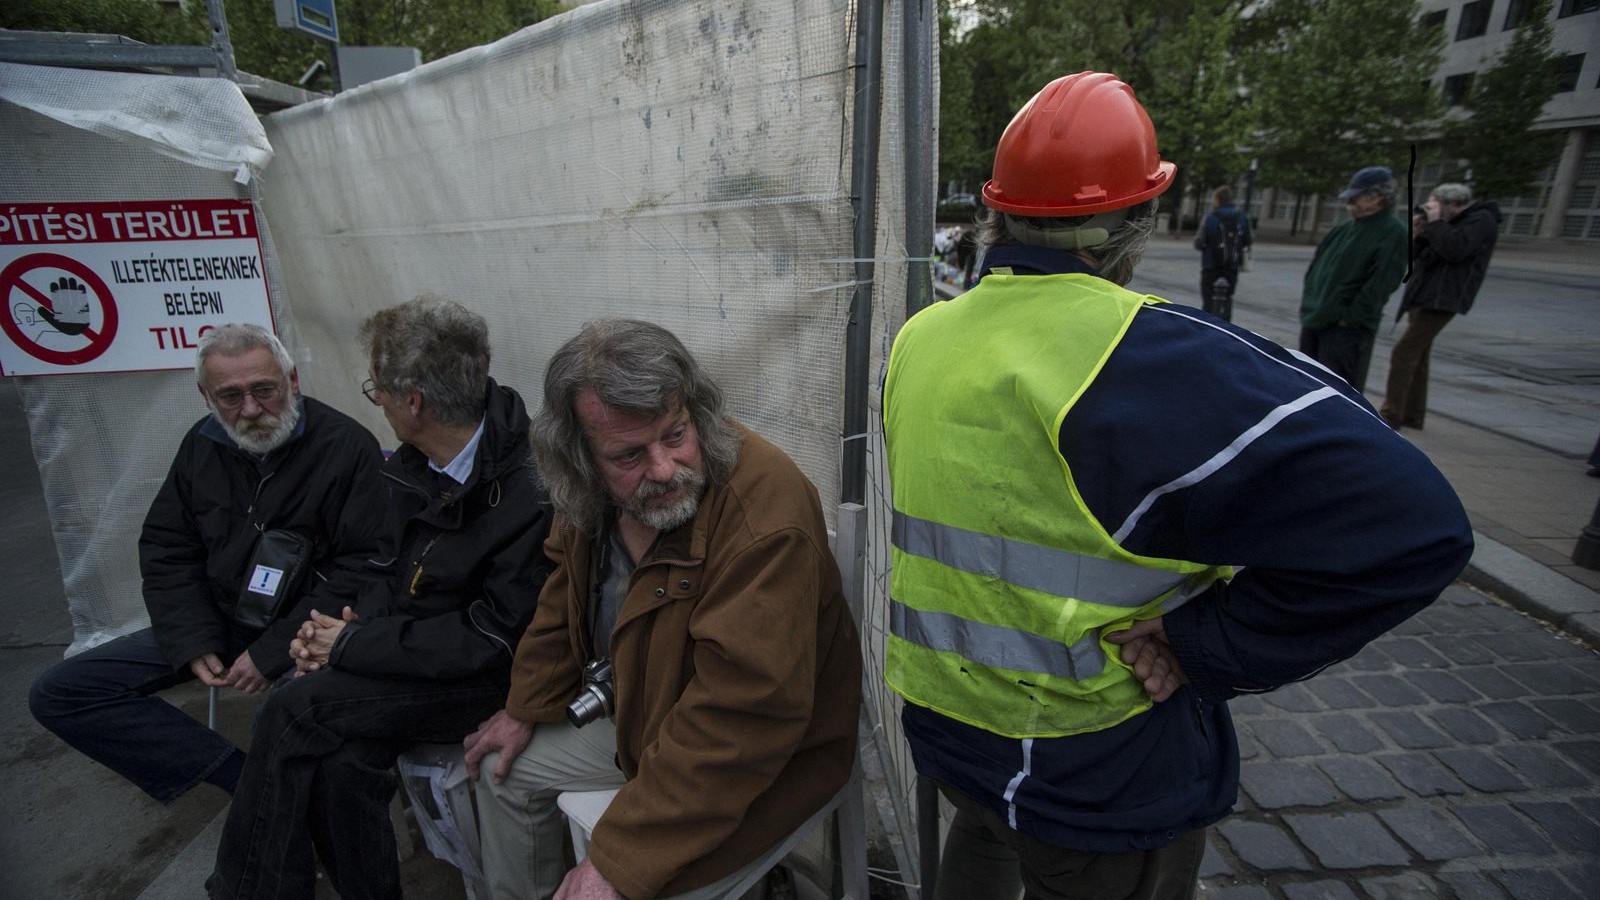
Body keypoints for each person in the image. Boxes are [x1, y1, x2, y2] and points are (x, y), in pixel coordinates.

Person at [882, 72, 1473, 900]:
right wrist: (1203, 644)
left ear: (998, 210)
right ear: (1135, 222)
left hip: (949, 723)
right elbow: (1421, 529)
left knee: (980, 845)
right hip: (1091, 766)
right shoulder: (1151, 359)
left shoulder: (923, 335)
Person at [465, 319, 861, 900]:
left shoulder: (764, 517)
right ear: (580, 457)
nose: (663, 469)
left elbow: (743, 720)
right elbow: (563, 592)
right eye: (628, 454)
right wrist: (526, 705)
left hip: (761, 760)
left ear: (694, 412)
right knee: (501, 773)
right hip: (642, 718)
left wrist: (616, 862)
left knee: (640, 885)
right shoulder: (587, 490)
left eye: (675, 435)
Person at [207, 297, 555, 900]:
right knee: (341, 766)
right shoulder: (419, 463)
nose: (380, 404)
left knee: (295, 709)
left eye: (378, 390)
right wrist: (340, 631)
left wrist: (353, 645)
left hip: (496, 680)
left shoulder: (529, 488)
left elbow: (493, 639)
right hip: (412, 656)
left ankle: (242, 892)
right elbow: (383, 568)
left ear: (413, 402)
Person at [29, 324, 385, 806]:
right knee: (61, 693)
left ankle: (275, 803)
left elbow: (362, 568)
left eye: (264, 389)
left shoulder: (345, 445)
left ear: (293, 380)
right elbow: (167, 547)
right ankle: (239, 780)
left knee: (282, 717)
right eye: (231, 397)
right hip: (218, 619)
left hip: (304, 631)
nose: (252, 410)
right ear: (206, 396)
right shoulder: (202, 444)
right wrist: (192, 638)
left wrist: (273, 651)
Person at [1380, 183, 1501, 430]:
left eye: (1437, 206)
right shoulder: (1446, 223)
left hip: (1444, 299)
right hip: (1423, 295)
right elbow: (1416, 255)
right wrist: (1419, 230)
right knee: (1418, 355)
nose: (1433, 210)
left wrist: (1435, 224)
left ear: (1454, 204)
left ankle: (1391, 414)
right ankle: (1411, 414)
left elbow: (1456, 250)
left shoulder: (1481, 220)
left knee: (1404, 353)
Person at [1298, 164, 1409, 392]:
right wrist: (1311, 302)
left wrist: (1349, 318)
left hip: (1346, 329)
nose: (1351, 203)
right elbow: (1316, 267)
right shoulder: (1344, 228)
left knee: (1338, 391)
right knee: (1307, 385)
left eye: (1357, 197)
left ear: (1377, 198)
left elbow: (1381, 284)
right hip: (1316, 319)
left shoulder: (1393, 232)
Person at [1193, 184, 1251, 320]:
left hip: (1210, 266)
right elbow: (1248, 240)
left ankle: (1207, 327)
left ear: (1218, 199)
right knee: (1227, 299)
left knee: (1208, 301)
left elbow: (1199, 242)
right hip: (1232, 266)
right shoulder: (1242, 217)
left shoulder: (1210, 217)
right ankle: (1225, 326)